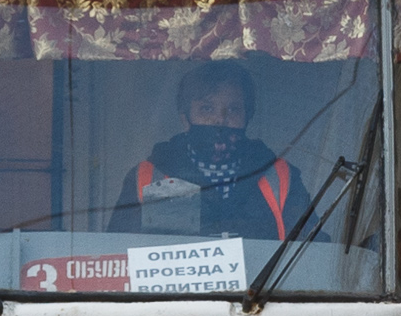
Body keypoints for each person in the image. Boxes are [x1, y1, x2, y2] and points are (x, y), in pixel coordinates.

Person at [113, 61, 296, 241]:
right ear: (185, 119)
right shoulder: (149, 177)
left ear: (247, 117)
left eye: (233, 109)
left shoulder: (279, 176)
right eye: (207, 109)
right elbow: (117, 258)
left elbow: (309, 252)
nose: (220, 120)